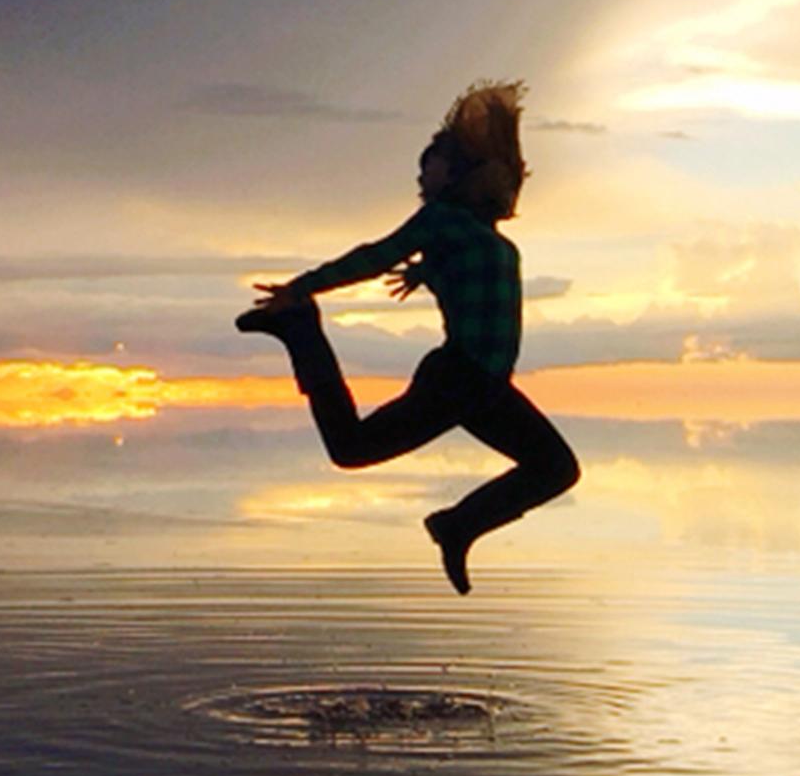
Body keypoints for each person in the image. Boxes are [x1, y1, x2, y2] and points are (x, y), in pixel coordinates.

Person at [235, 81, 580, 593]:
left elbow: (456, 272)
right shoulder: (440, 221)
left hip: (485, 387)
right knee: (350, 449)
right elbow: (375, 254)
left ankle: (457, 525)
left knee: (555, 469)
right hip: (460, 378)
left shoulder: (474, 234)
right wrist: (302, 289)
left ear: (459, 171)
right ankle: (300, 330)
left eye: (428, 164)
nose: (420, 174)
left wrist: (426, 273)